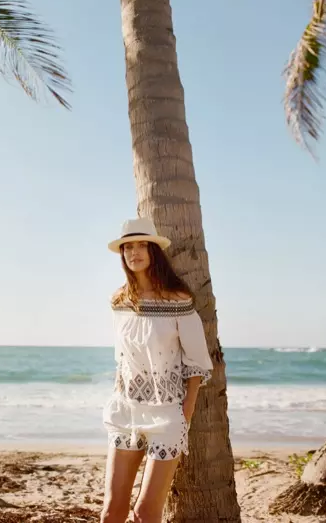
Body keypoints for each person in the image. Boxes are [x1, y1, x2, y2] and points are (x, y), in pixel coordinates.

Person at [101, 217, 213, 523]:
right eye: (128, 247)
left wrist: (186, 409)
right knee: (111, 510)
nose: (134, 252)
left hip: (166, 415)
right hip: (126, 411)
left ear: (153, 252)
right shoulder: (119, 301)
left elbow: (197, 360)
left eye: (141, 246)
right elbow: (121, 355)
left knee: (145, 513)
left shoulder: (178, 300)